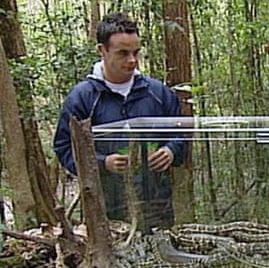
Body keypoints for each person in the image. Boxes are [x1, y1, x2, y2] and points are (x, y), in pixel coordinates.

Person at [53, 12, 186, 232]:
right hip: (105, 209)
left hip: (156, 207)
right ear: (102, 51)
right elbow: (65, 147)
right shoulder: (83, 97)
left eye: (136, 53)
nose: (132, 60)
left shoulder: (158, 93)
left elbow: (181, 133)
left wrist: (171, 150)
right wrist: (102, 163)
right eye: (123, 53)